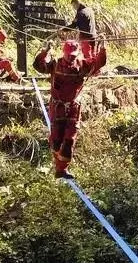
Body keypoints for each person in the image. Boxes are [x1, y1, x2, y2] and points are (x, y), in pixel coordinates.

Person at [33, 39, 108, 179]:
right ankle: (57, 163)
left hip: (73, 107)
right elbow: (38, 66)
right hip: (58, 107)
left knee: (69, 140)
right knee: (56, 141)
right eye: (69, 55)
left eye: (73, 55)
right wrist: (44, 52)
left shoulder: (82, 65)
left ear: (78, 53)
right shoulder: (55, 64)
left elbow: (99, 63)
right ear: (64, 53)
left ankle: (62, 170)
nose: (71, 57)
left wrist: (102, 49)